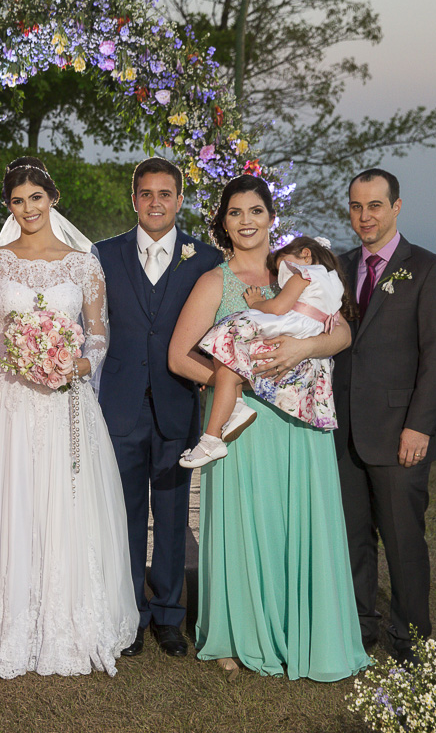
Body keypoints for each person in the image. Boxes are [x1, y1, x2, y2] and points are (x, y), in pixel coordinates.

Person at [0, 160, 138, 679]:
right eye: (17, 201)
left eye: (36, 198)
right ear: (9, 207)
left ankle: (66, 623)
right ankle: (0, 622)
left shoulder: (83, 264)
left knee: (62, 503)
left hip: (64, 401)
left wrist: (74, 362)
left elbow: (98, 332)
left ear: (52, 198)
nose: (27, 208)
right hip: (5, 398)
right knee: (10, 500)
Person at [168, 174, 368, 681]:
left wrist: (304, 348)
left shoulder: (295, 271)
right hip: (245, 426)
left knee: (300, 526)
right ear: (224, 223)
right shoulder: (215, 281)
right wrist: (237, 382)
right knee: (245, 524)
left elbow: (341, 330)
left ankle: (305, 635)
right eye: (235, 213)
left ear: (271, 217)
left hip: (301, 426)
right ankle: (238, 636)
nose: (246, 221)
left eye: (255, 211)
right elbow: (178, 356)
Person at [94, 157, 222, 658]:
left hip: (175, 404)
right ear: (133, 199)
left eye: (164, 194)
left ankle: (169, 615)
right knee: (123, 514)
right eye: (145, 193)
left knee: (170, 514)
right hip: (119, 406)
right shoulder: (103, 254)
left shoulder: (206, 259)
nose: (155, 202)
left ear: (179, 199)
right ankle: (128, 613)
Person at [333, 168, 436, 664]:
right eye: (356, 207)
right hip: (342, 430)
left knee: (404, 539)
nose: (365, 217)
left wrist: (420, 425)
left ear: (397, 207)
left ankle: (410, 636)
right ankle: (359, 626)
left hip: (399, 430)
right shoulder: (338, 268)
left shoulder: (430, 269)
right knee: (352, 536)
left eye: (375, 206)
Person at [181, 235, 354, 468]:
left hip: (291, 326)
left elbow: (278, 307)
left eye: (285, 267)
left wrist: (255, 304)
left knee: (230, 333)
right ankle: (237, 404)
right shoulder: (333, 281)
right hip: (308, 332)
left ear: (305, 255)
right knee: (235, 348)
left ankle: (211, 438)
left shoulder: (303, 274)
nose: (284, 277)